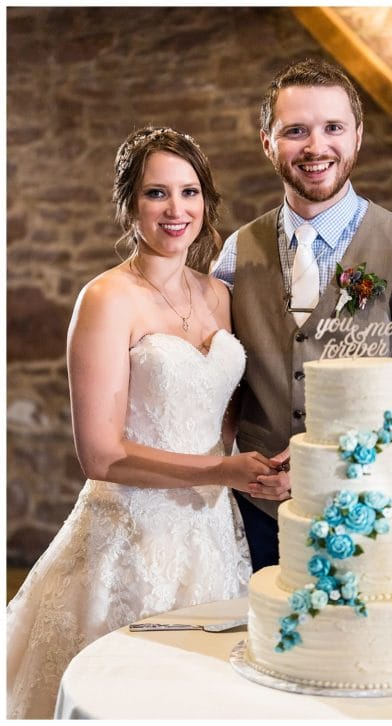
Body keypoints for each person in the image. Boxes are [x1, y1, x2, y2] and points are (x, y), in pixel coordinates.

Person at [6, 127, 284, 719]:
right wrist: (220, 469)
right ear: (131, 204)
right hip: (130, 535)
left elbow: (226, 409)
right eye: (157, 193)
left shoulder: (219, 296)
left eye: (189, 192)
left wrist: (252, 470)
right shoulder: (107, 300)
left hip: (212, 532)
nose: (176, 209)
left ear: (206, 202)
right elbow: (100, 455)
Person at [213, 58, 392, 570]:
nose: (315, 146)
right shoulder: (238, 254)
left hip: (370, 509)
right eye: (295, 131)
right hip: (256, 515)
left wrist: (329, 461)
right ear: (267, 142)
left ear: (358, 137)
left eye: (333, 128)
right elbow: (215, 379)